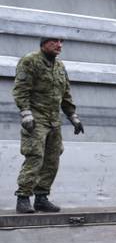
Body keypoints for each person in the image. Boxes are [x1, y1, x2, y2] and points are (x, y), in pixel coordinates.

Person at [13, 37, 84, 214]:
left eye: (61, 42)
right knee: (35, 155)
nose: (59, 45)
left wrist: (73, 116)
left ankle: (41, 198)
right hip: (36, 118)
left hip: (54, 119)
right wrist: (26, 113)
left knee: (52, 158)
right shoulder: (30, 61)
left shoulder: (60, 66)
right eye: (54, 41)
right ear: (43, 44)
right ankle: (23, 198)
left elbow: (65, 93)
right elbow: (21, 89)